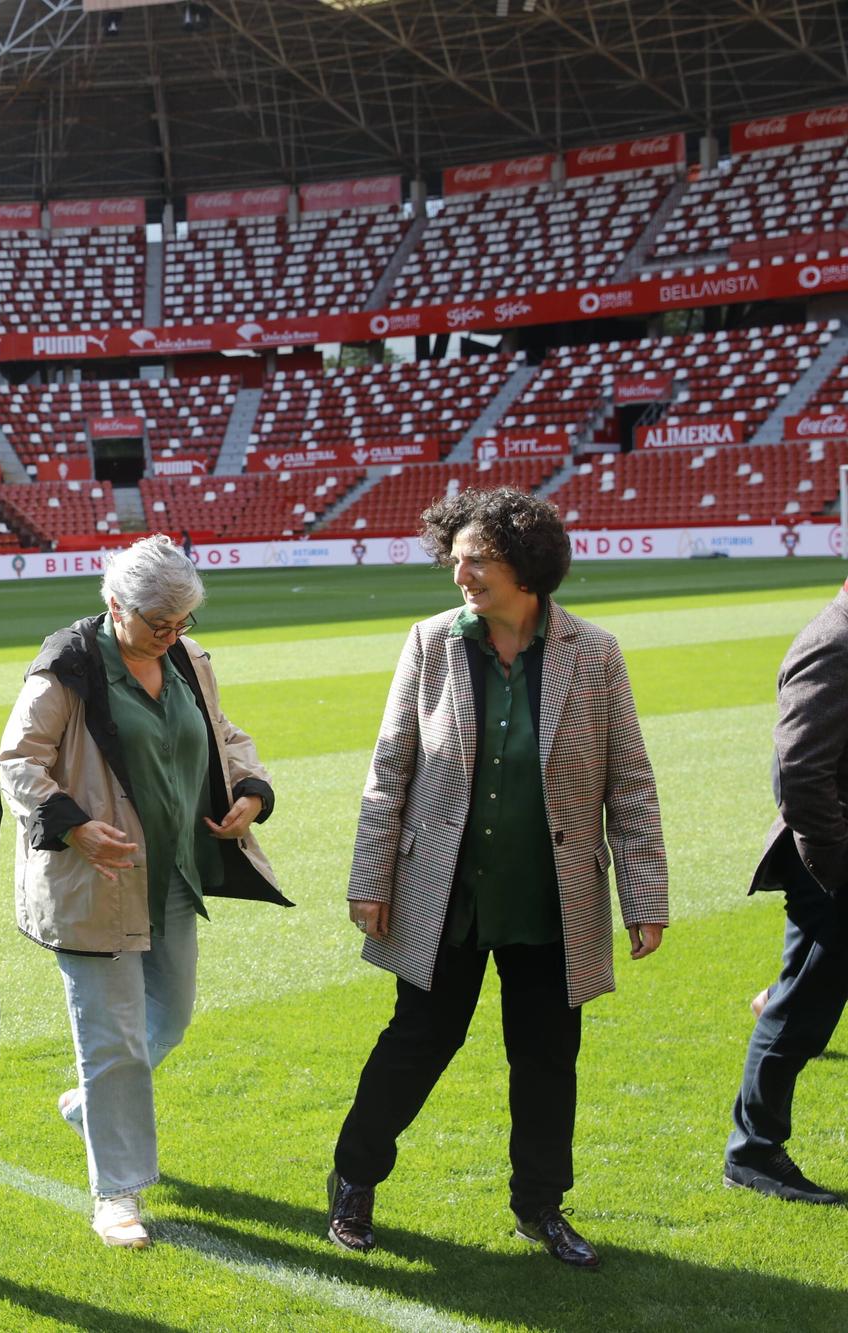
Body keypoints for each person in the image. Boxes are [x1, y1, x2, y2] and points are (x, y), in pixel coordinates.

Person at [327, 487, 668, 1268]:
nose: (461, 575)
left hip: (553, 897)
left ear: (526, 563)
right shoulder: (432, 643)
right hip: (444, 893)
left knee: (548, 1056)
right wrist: (370, 877)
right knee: (417, 1041)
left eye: (476, 559)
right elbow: (390, 770)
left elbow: (632, 782)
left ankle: (539, 1205)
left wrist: (645, 896)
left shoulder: (595, 653)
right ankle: (355, 1178)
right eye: (456, 559)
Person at [0, 535, 289, 1248]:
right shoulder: (67, 665)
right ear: (113, 603)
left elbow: (222, 733)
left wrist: (250, 788)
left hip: (174, 875)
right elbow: (18, 761)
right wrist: (73, 828)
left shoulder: (186, 660)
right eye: (157, 623)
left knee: (172, 1015)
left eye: (182, 623)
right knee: (114, 1038)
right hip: (94, 883)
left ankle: (90, 1106)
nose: (171, 636)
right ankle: (116, 1195)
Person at [725, 577, 848, 1206]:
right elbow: (798, 772)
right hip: (832, 863)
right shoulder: (835, 642)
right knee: (802, 1011)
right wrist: (835, 862)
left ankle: (778, 996)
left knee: (803, 995)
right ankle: (754, 1153)